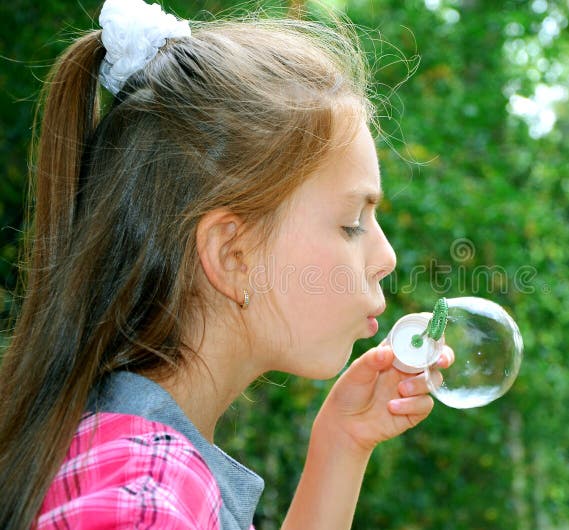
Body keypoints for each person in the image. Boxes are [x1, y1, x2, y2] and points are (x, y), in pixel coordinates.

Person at [0, 1, 451, 528]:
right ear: (231, 255)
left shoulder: (110, 441)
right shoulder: (148, 497)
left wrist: (342, 446)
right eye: (353, 221)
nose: (387, 256)